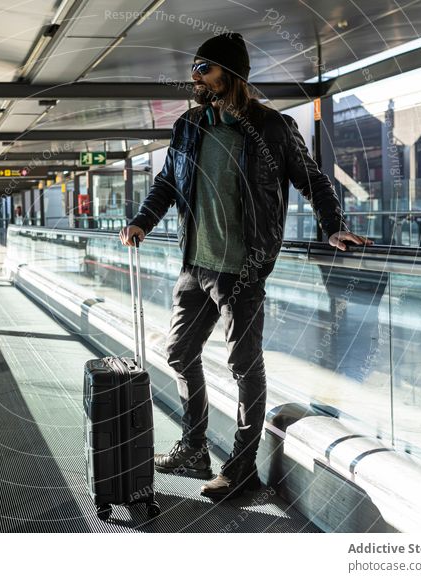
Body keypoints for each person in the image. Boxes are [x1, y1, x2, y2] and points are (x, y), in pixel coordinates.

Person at [119, 33, 373, 500]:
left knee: (243, 366)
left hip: (243, 270)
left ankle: (239, 471)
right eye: (194, 67)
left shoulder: (271, 127)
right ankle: (194, 449)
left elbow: (311, 178)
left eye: (204, 67)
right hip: (196, 264)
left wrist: (332, 226)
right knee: (179, 353)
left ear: (230, 74)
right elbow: (166, 183)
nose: (194, 76)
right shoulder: (189, 126)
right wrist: (141, 221)